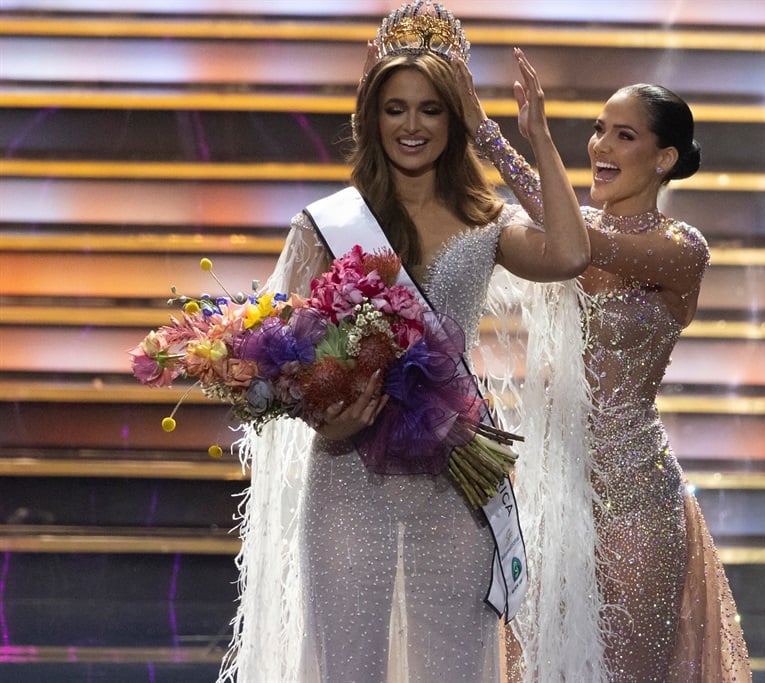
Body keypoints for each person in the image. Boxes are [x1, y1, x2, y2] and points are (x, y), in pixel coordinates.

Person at [215, 3, 589, 682]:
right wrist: (321, 412)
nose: (412, 126)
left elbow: (569, 251)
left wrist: (516, 135)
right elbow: (263, 360)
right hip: (347, 479)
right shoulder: (327, 224)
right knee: (348, 668)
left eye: (431, 109)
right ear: (371, 116)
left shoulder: (486, 223)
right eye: (395, 108)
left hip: (455, 487)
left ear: (455, 119)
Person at [461, 75, 753, 681]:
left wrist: (505, 135)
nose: (601, 146)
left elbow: (584, 245)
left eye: (624, 135)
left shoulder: (682, 248)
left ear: (664, 158)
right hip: (546, 489)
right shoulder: (557, 231)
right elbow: (546, 232)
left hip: (634, 501)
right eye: (598, 130)